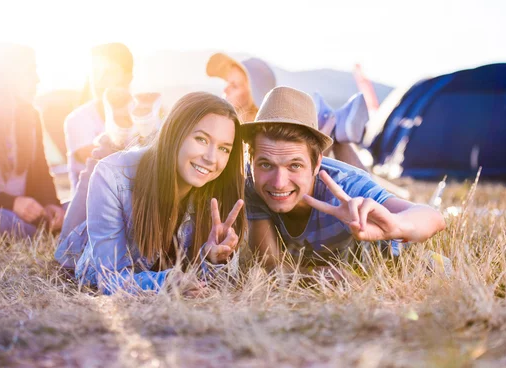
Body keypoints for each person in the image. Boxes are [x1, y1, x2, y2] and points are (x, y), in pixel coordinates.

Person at [55, 92, 247, 295]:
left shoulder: (220, 188)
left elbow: (211, 286)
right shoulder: (111, 175)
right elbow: (108, 278)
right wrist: (166, 282)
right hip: (83, 239)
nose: (211, 158)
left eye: (224, 149)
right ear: (176, 132)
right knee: (100, 158)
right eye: (201, 139)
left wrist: (214, 260)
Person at [242, 87, 445, 271]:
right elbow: (268, 263)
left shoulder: (347, 184)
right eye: (266, 164)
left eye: (295, 165)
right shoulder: (254, 183)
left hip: (383, 258)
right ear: (251, 161)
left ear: (317, 163)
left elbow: (433, 218)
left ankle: (335, 132)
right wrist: (315, 276)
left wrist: (397, 225)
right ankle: (335, 130)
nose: (278, 182)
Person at [206, 53, 368, 170]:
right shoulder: (227, 131)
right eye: (227, 83)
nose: (225, 89)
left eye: (234, 85)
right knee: (336, 142)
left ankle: (332, 127)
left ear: (254, 94)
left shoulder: (271, 138)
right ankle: (334, 125)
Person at [0, 43, 63, 237]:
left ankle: (45, 231)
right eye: (30, 72)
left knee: (78, 206)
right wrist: (11, 203)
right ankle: (45, 235)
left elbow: (41, 175)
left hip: (25, 218)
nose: (37, 80)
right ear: (9, 78)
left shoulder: (31, 116)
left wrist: (51, 205)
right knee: (2, 219)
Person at [64, 43, 134, 194]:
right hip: (89, 208)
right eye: (95, 72)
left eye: (108, 72)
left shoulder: (144, 117)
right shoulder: (78, 119)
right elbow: (104, 166)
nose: (99, 79)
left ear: (128, 77)